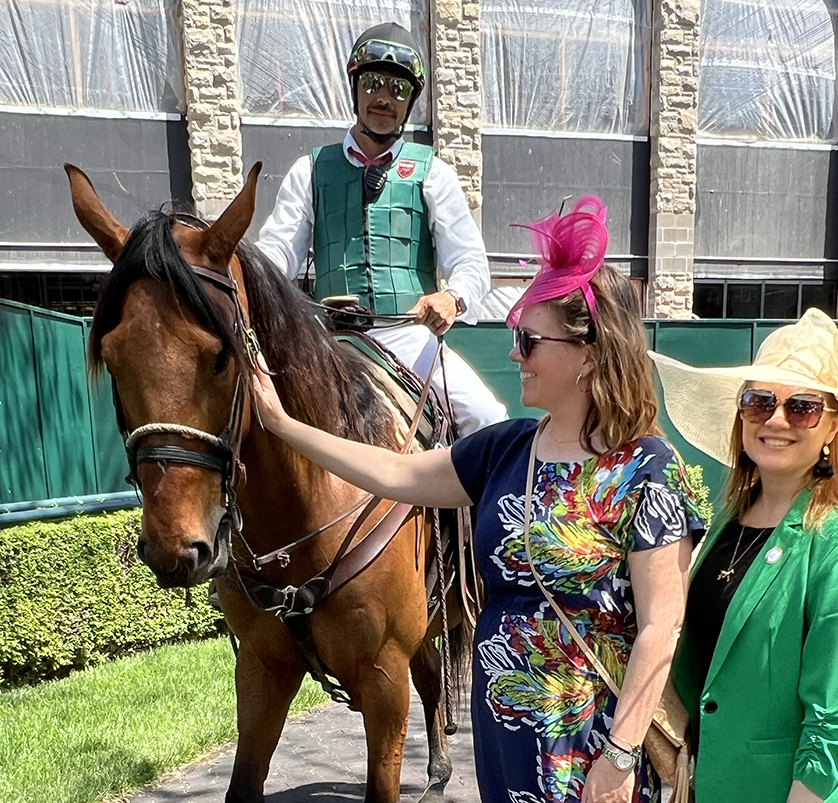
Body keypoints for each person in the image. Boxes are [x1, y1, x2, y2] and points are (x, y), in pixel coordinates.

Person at [250, 197, 706, 803]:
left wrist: (620, 758)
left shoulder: (646, 469)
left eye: (529, 338)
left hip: (594, 740)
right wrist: (283, 426)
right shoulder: (506, 450)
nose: (514, 352)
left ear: (590, 352)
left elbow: (660, 629)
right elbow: (393, 472)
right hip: (505, 733)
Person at [647, 309, 838, 803]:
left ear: (832, 425)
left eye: (801, 406)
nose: (775, 419)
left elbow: (836, 718)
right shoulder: (726, 522)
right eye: (759, 401)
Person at [255, 22, 507, 435]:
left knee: (488, 419)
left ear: (410, 102)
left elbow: (471, 262)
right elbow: (277, 253)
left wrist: (451, 298)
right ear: (355, 88)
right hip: (327, 339)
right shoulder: (309, 170)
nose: (384, 98)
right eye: (373, 83)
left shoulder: (434, 173)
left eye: (398, 89)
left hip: (409, 339)